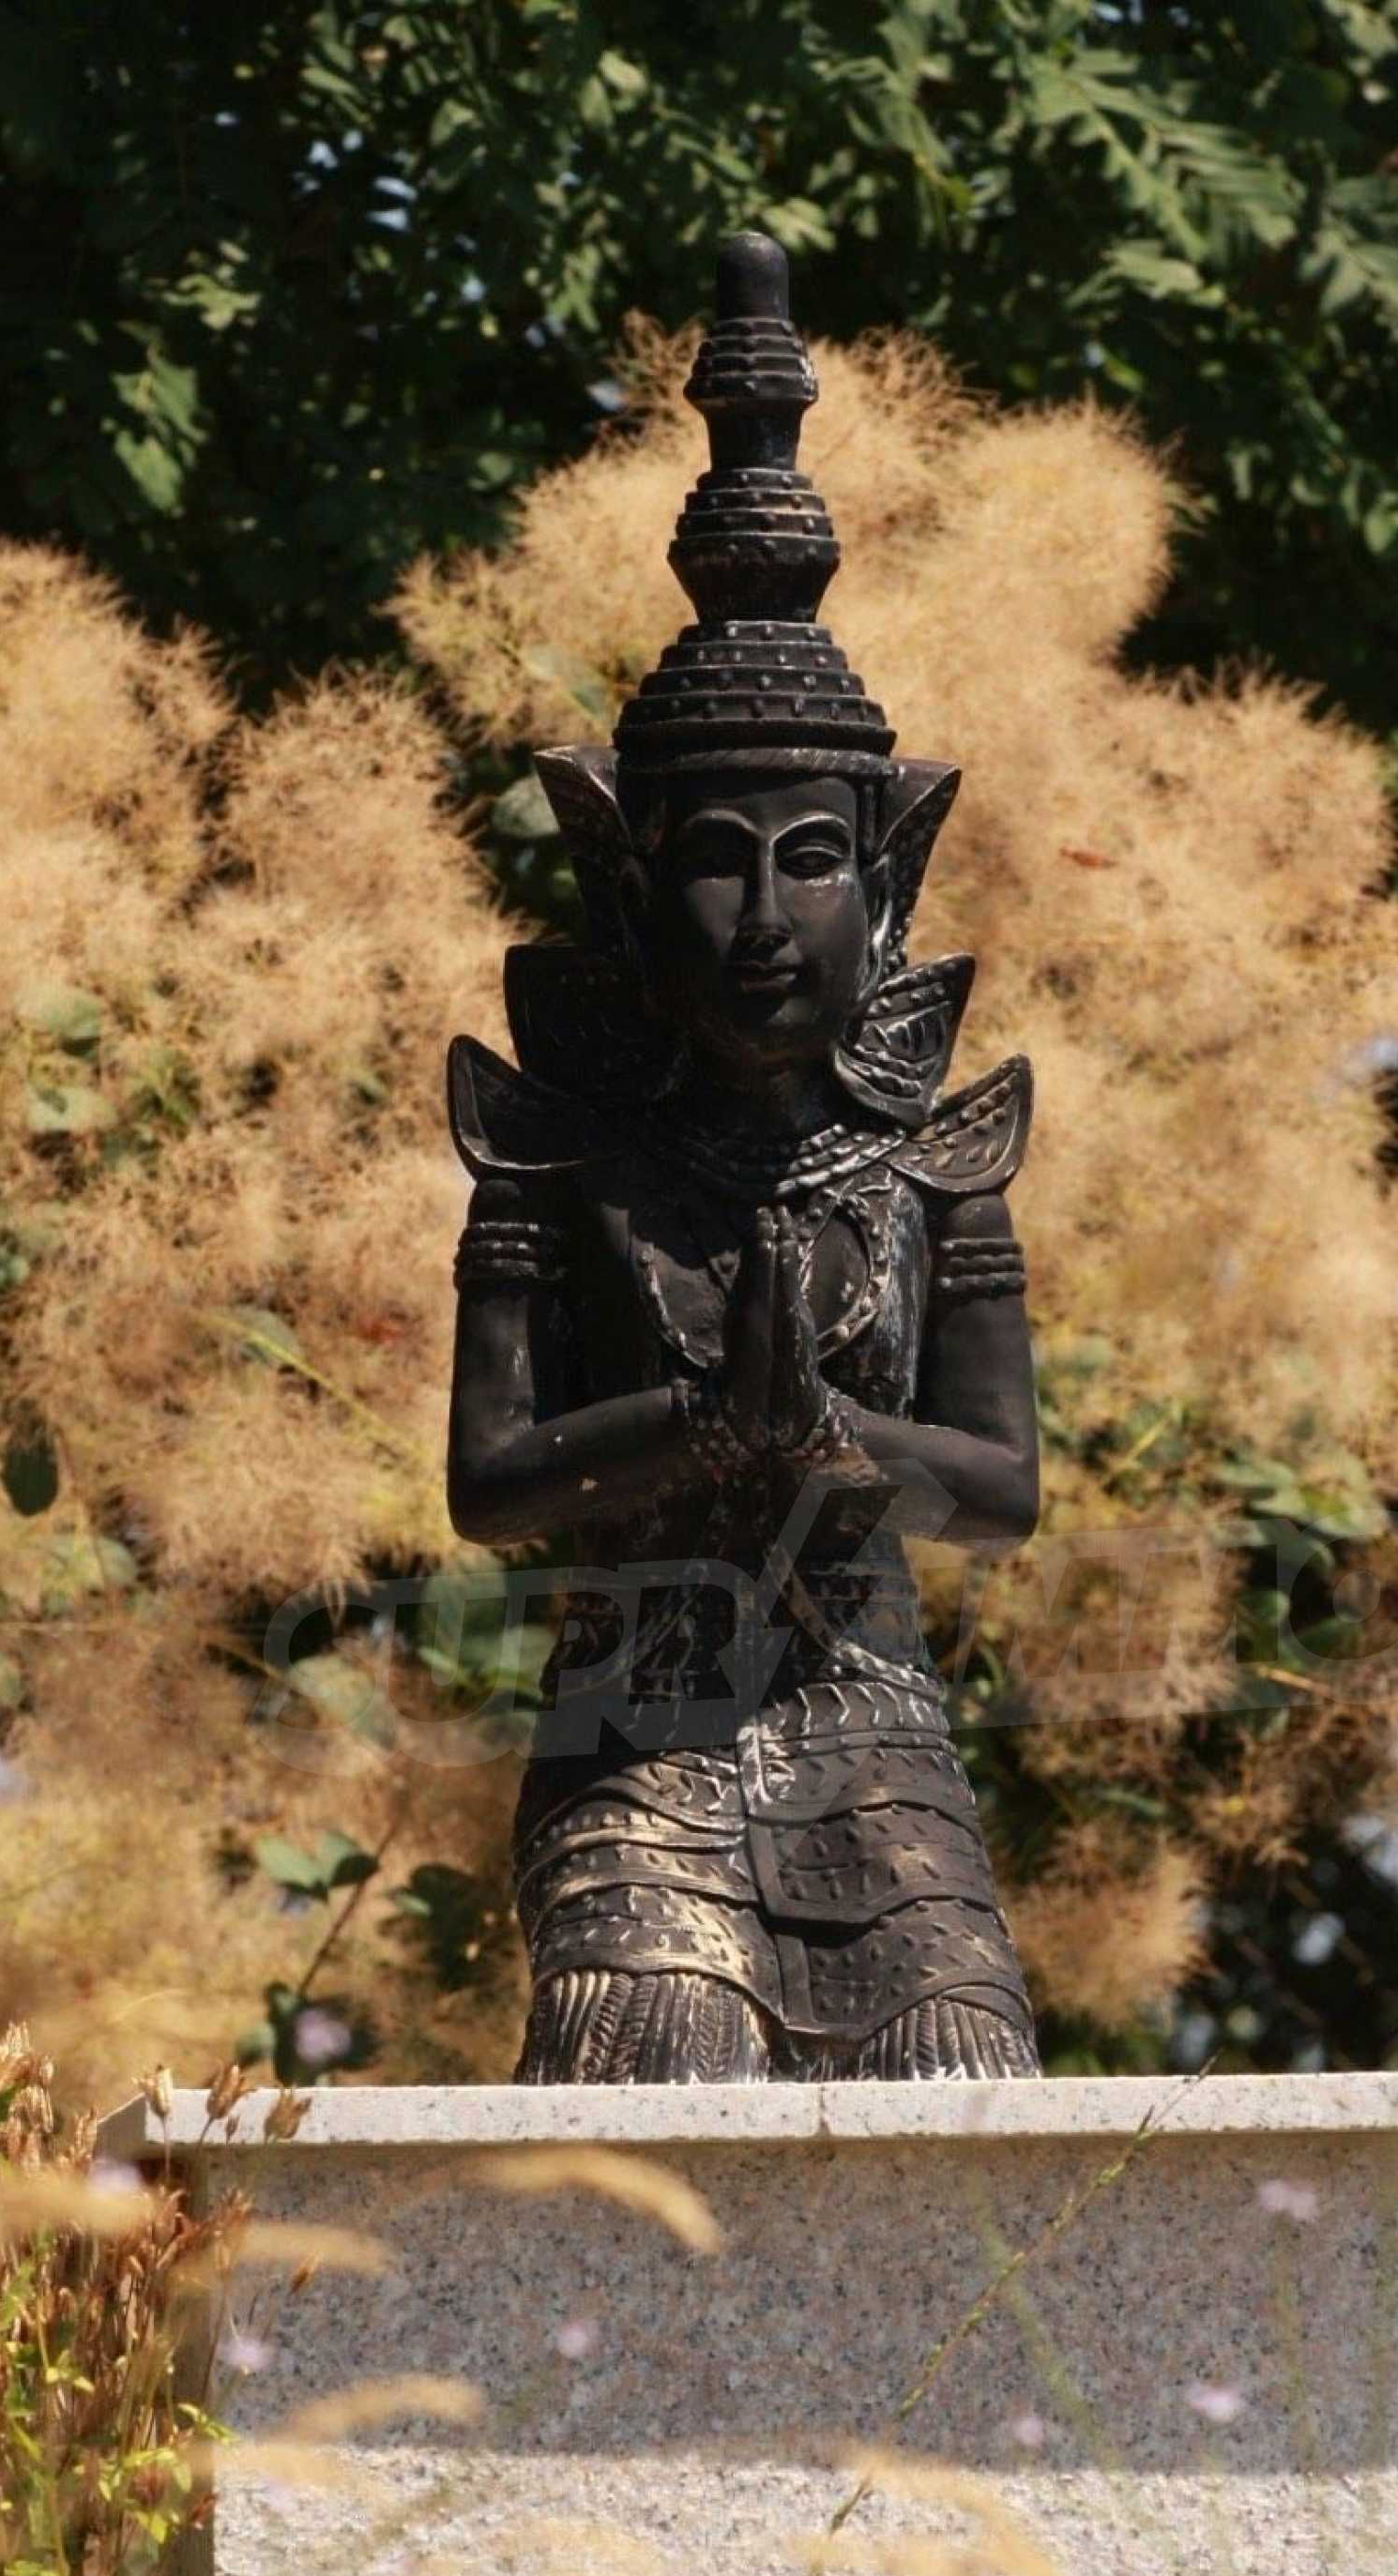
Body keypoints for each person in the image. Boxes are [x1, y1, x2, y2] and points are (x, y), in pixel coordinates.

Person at [446, 231, 1042, 2085]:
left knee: (959, 2069)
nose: (765, 916)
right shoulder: (558, 1164)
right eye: (714, 860)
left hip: (875, 1738)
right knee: (657, 2047)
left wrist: (830, 1438)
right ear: (633, 893)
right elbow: (488, 1486)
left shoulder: (934, 1166)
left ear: (884, 880)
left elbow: (1000, 1486)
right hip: (635, 1742)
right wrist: (700, 1431)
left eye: (809, 860)